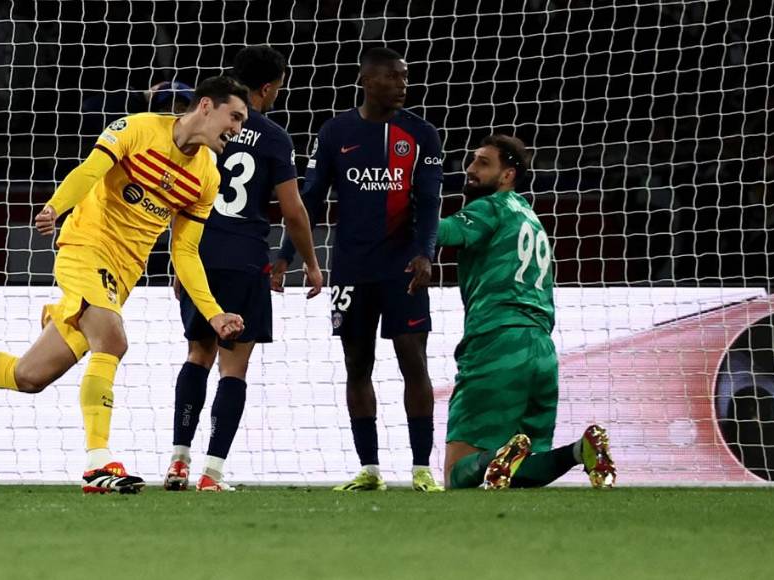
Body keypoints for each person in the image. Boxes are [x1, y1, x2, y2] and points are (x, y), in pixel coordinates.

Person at [0, 76, 251, 494]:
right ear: (205, 106)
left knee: (29, 376)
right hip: (85, 248)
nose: (237, 128)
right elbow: (90, 170)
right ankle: (98, 463)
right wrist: (56, 206)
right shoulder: (138, 129)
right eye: (234, 116)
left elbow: (185, 252)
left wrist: (213, 312)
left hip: (122, 276)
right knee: (112, 340)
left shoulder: (207, 177)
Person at [273, 47, 444, 492]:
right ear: (367, 81)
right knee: (356, 365)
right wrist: (285, 255)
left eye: (405, 76)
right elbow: (308, 200)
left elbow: (428, 202)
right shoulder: (336, 132)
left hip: (403, 266)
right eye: (394, 76)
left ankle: (422, 467)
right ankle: (369, 469)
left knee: (414, 362)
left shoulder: (421, 133)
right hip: (350, 267)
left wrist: (426, 252)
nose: (404, 84)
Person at [165, 46, 324, 492]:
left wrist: (181, 259)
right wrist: (310, 263)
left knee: (197, 355)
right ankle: (211, 473)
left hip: (198, 252)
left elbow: (178, 195)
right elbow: (293, 210)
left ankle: (177, 461)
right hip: (244, 258)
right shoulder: (273, 136)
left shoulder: (205, 123)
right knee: (233, 369)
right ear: (269, 87)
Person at [437, 134, 616, 490]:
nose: (469, 169)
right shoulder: (532, 219)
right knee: (521, 470)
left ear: (508, 176)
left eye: (483, 163)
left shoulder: (491, 207)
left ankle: (494, 456)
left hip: (497, 343)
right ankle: (581, 451)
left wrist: (398, 201)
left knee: (458, 475)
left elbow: (439, 232)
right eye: (471, 160)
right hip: (542, 351)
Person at [81, 80, 196, 134]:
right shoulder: (138, 120)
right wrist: (142, 96)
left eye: (181, 108)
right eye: (166, 107)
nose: (173, 112)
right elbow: (88, 108)